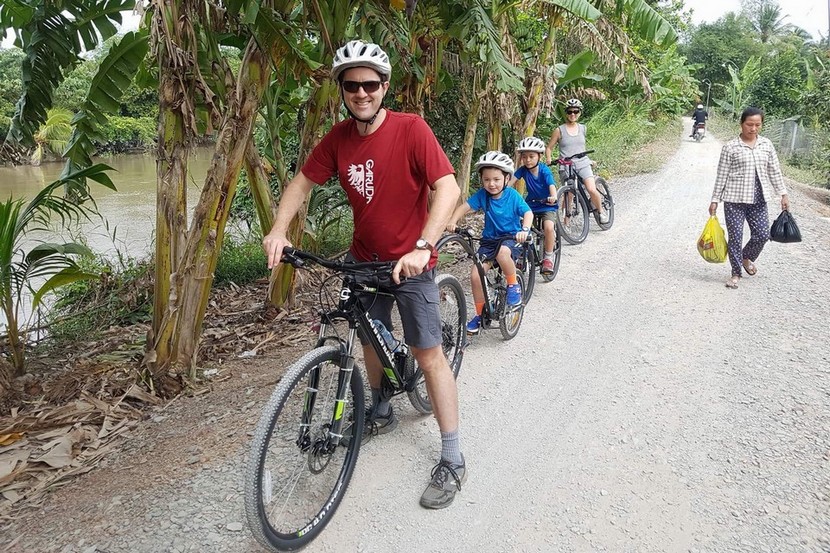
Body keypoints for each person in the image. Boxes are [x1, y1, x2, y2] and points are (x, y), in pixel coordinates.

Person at [262, 39, 466, 509]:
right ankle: (378, 406)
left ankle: (452, 456)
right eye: (352, 85)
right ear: (342, 89)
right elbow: (302, 182)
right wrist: (278, 229)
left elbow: (448, 187)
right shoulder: (338, 138)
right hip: (365, 258)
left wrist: (424, 245)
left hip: (411, 261)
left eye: (370, 84)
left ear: (384, 86)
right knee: (368, 331)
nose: (361, 93)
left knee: (428, 353)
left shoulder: (411, 129)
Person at [446, 151, 532, 334]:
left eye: (496, 179)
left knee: (503, 254)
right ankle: (479, 315)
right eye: (486, 180)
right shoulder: (482, 195)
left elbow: (528, 213)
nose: (491, 184)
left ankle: (513, 285)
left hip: (511, 239)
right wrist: (453, 221)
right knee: (476, 275)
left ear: (506, 178)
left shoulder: (513, 196)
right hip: (489, 241)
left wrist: (524, 230)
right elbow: (465, 207)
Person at [709, 106, 789, 289]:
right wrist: (715, 200)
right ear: (741, 124)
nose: (753, 129)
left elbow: (774, 171)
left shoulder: (766, 145)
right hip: (734, 200)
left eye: (757, 125)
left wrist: (783, 194)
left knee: (762, 234)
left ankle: (746, 257)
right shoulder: (730, 147)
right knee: (735, 237)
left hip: (759, 199)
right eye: (749, 124)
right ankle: (736, 273)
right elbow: (721, 175)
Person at [545, 98, 609, 224]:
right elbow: (549, 147)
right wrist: (548, 159)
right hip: (566, 165)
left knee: (591, 188)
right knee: (569, 194)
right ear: (566, 113)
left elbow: (581, 147)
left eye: (576, 111)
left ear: (580, 112)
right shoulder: (559, 130)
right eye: (570, 112)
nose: (572, 114)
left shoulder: (583, 128)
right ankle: (566, 224)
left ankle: (601, 211)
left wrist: (589, 160)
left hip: (582, 163)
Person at [512, 136, 558, 274]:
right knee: (517, 225)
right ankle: (521, 254)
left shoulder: (544, 170)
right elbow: (510, 183)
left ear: (539, 156)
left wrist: (553, 197)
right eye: (524, 157)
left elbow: (551, 184)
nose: (527, 160)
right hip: (530, 205)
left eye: (531, 156)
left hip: (547, 204)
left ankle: (548, 257)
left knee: (549, 228)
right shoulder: (522, 170)